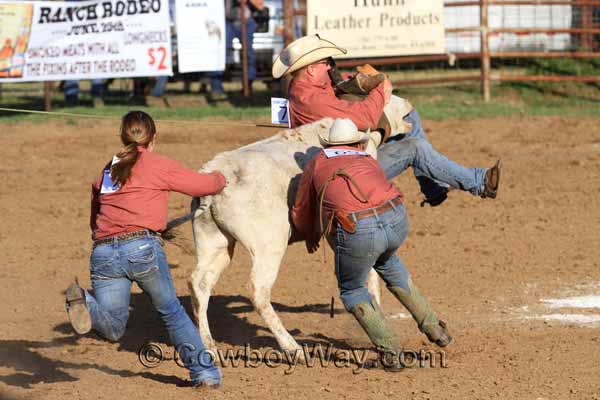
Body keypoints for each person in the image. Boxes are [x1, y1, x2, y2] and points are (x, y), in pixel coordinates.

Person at [64, 111, 226, 388]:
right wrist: (223, 176)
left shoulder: (108, 169)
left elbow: (95, 215)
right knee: (172, 312)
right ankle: (205, 374)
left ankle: (85, 301)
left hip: (103, 251)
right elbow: (203, 185)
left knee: (113, 328)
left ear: (122, 136)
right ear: (154, 138)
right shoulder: (157, 163)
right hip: (141, 247)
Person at [291, 118, 451, 371]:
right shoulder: (365, 157)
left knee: (353, 290)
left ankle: (391, 352)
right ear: (357, 141)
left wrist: (308, 233)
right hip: (396, 217)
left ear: (329, 144)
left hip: (358, 229)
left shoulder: (317, 162)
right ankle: (435, 328)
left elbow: (301, 208)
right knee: (389, 262)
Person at [272, 34, 501, 207]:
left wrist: (354, 82)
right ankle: (476, 183)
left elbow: (334, 88)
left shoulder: (303, 87)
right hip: (344, 175)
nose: (330, 66)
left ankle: (434, 187)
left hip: (341, 159)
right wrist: (380, 90)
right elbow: (365, 117)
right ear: (311, 69)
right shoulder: (312, 99)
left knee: (409, 117)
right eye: (325, 63)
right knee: (416, 147)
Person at [208, 0, 265, 99]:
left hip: (247, 22)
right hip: (226, 21)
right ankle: (216, 89)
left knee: (249, 54)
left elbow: (260, 6)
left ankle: (247, 86)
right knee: (219, 53)